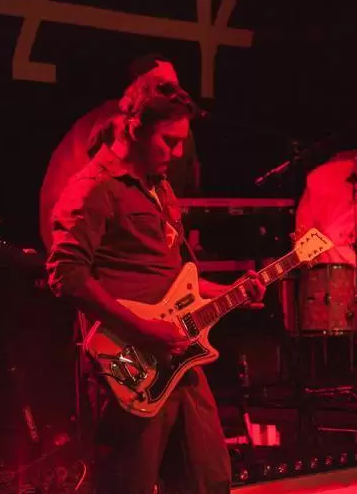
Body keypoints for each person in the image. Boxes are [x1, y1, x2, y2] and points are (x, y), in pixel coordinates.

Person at [46, 77, 266, 494]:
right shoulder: (93, 188)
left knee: (209, 479)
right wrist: (144, 329)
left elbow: (176, 278)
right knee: (128, 484)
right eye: (169, 141)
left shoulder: (160, 189)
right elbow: (66, 275)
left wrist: (231, 292)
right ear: (134, 128)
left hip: (179, 360)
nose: (178, 153)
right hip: (129, 361)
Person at [39, 54, 201, 249]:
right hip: (75, 239)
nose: (174, 97)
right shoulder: (112, 130)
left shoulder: (166, 148)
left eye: (175, 87)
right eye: (163, 88)